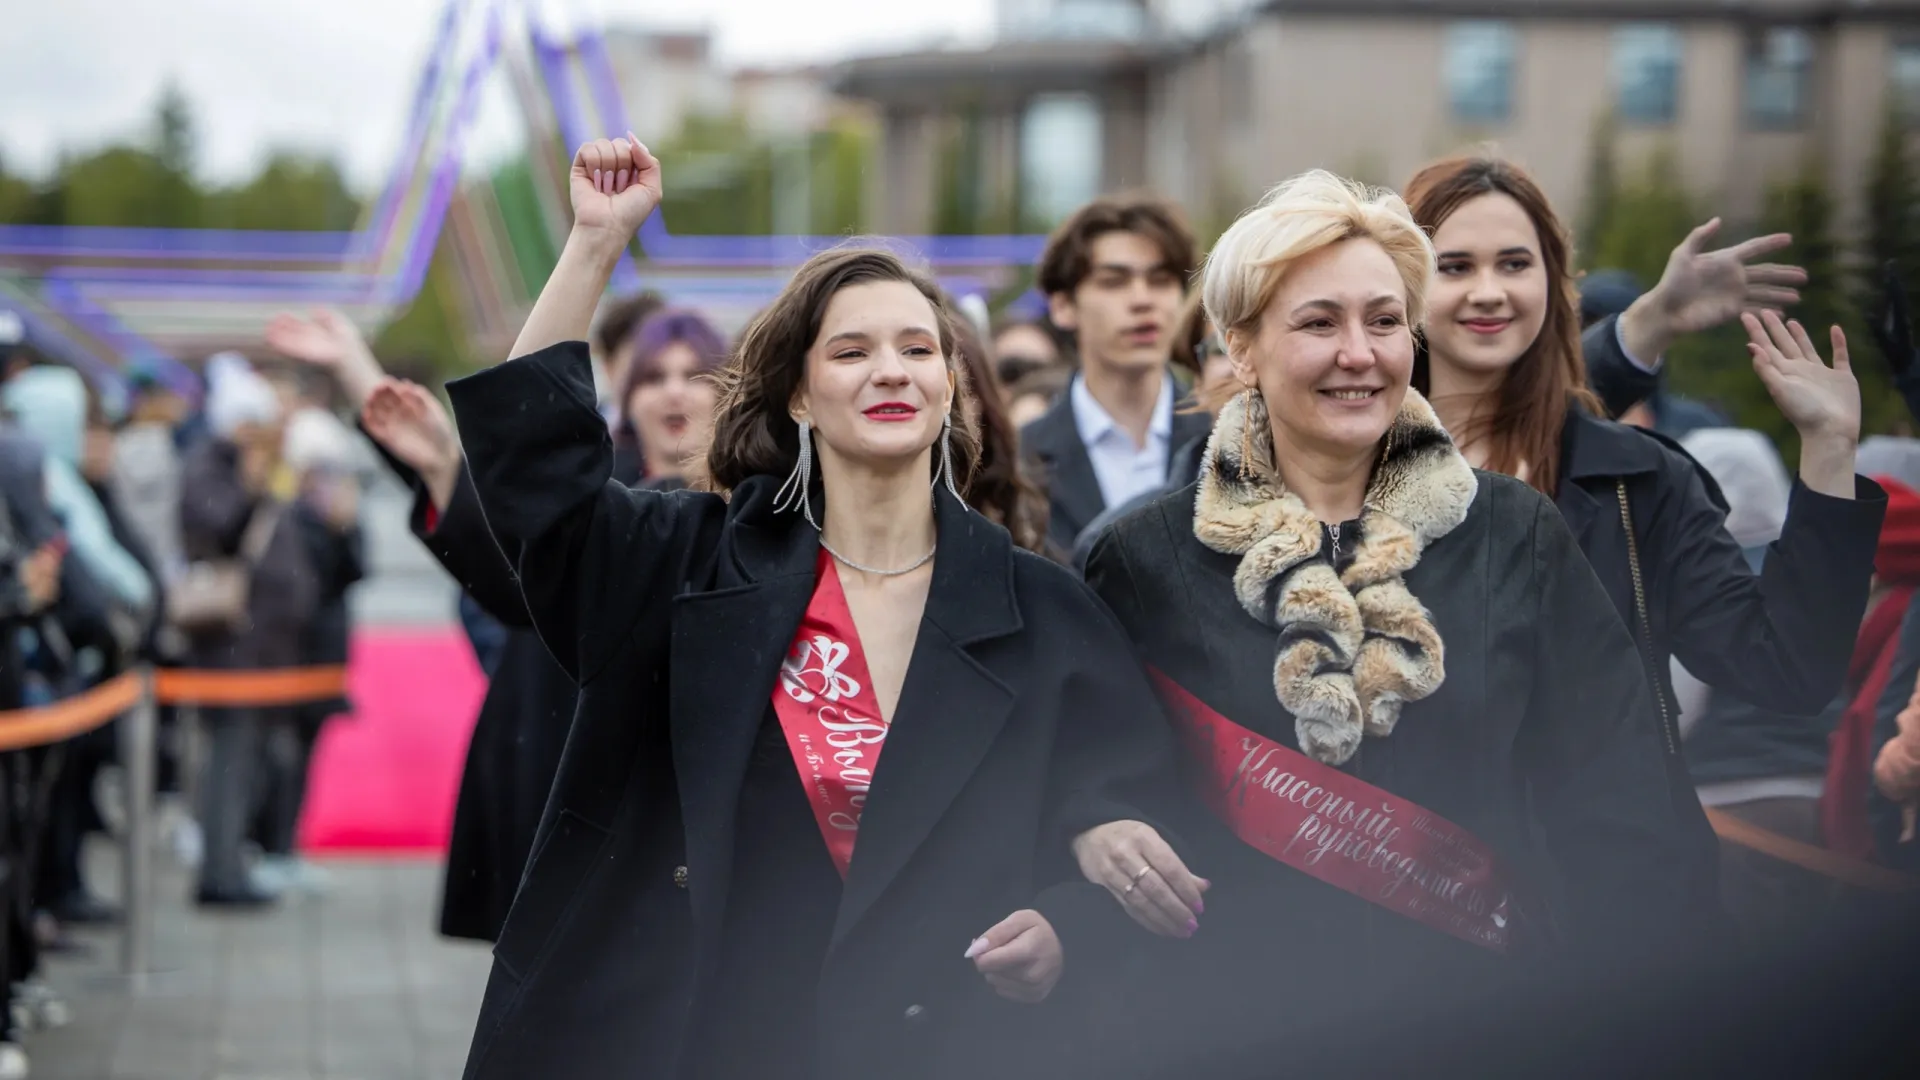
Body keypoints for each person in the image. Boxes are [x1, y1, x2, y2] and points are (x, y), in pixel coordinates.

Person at [393, 135, 1183, 1079]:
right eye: (851, 351)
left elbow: (1138, 818)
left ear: (947, 387)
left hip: (940, 1045)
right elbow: (538, 482)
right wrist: (595, 246)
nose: (890, 371)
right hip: (703, 1035)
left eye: (916, 350)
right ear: (801, 395)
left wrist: (1070, 926)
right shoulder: (689, 563)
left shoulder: (1042, 607)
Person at [1080, 169, 1704, 1075]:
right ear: (1241, 347)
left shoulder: (1515, 533)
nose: (1360, 353)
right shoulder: (1142, 560)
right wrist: (1087, 824)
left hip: (1493, 1026)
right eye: (1318, 323)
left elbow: (1617, 798)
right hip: (1232, 1034)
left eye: (1382, 321)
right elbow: (1088, 778)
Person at [1400, 155, 1885, 910]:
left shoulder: (1638, 478)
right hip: (1403, 904)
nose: (1488, 291)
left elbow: (1785, 670)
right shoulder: (1340, 469)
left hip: (1614, 908)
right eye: (1454, 266)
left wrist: (1828, 449)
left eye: (1515, 264)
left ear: (1552, 286)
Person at [178, 354, 318, 908]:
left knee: (249, 763)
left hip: (262, 648)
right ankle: (220, 872)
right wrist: (252, 487)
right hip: (231, 646)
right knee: (229, 765)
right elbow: (218, 533)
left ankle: (232, 862)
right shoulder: (210, 467)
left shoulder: (243, 466)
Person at [1020, 195, 1213, 555]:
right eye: (1114, 281)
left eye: (1160, 280)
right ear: (1063, 306)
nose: (1142, 299)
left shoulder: (1225, 441)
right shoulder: (1018, 460)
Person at [609, 309, 726, 488]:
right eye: (655, 377)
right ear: (629, 398)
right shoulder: (595, 498)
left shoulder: (759, 499)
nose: (674, 392)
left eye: (692, 376)